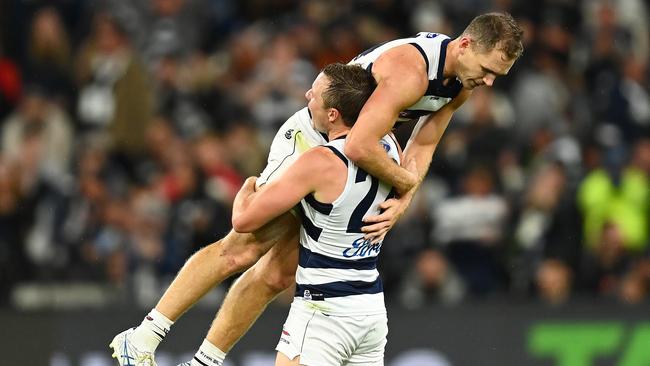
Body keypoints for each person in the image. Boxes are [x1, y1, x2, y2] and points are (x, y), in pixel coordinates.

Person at [110, 12, 523, 366]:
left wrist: (403, 200)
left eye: (496, 77)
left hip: (353, 145)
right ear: (465, 44)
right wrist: (404, 183)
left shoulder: (461, 80)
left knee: (278, 273)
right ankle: (144, 337)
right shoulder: (410, 72)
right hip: (318, 135)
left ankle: (204, 360)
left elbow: (425, 141)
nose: (488, 82)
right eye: (488, 70)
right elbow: (361, 144)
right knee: (246, 244)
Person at [231, 62, 400, 365]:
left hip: (323, 312)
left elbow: (244, 222)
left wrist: (246, 189)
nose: (308, 95)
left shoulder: (321, 161)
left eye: (315, 96)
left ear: (333, 115)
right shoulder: (390, 147)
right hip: (371, 309)